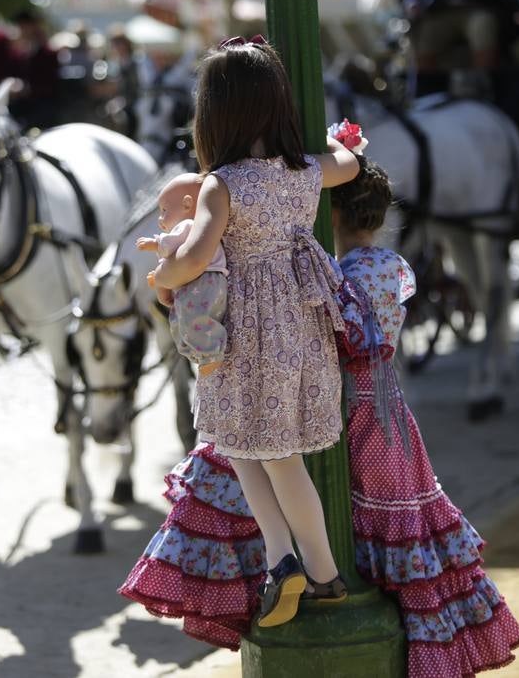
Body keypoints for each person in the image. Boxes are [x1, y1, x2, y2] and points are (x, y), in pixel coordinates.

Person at [119, 155, 519, 677]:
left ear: (327, 214)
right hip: (386, 408)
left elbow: (341, 332)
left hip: (345, 405)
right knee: (391, 530)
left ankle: (297, 569)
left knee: (255, 463)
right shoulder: (392, 267)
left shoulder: (336, 273)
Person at [136, 37, 359, 629]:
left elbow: (196, 255)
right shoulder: (306, 170)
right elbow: (350, 162)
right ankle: (306, 567)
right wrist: (333, 133)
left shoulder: (223, 183)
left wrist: (162, 274)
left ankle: (296, 563)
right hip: (302, 327)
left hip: (244, 333)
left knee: (250, 453)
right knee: (274, 455)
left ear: (215, 114)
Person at [136, 172, 228, 377]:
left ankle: (211, 354)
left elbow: (170, 246)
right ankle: (197, 353)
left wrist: (155, 243)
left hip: (204, 280)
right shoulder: (195, 229)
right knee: (182, 320)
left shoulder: (188, 225)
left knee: (194, 319)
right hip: (202, 282)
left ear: (187, 204)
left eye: (164, 210)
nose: (160, 220)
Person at [9, 10, 61, 130]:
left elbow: (51, 84)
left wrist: (29, 89)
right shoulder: (17, 53)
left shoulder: (48, 53)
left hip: (42, 106)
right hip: (20, 106)